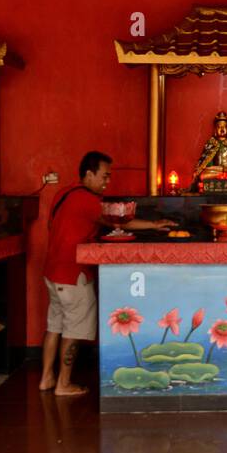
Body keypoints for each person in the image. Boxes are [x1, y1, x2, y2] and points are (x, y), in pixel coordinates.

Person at [41, 151, 175, 395]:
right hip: (73, 273)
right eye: (104, 176)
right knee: (73, 329)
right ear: (89, 173)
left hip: (52, 271)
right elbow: (120, 222)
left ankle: (46, 378)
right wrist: (155, 224)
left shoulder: (63, 193)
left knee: (54, 326)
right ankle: (63, 384)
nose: (107, 182)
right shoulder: (88, 200)